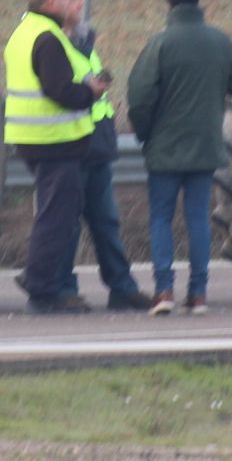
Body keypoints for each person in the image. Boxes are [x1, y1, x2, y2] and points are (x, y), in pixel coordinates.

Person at [126, 0, 232, 316]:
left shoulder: (160, 43)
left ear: (169, 1)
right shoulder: (219, 42)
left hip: (164, 148)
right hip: (204, 146)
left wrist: (144, 133)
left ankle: (164, 291)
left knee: (161, 219)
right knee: (198, 218)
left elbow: (138, 97)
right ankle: (198, 295)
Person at [3, 0, 111, 314]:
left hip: (32, 139)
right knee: (57, 218)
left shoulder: (23, 32)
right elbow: (60, 91)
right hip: (54, 141)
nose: (75, 2)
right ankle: (41, 284)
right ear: (51, 3)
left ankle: (41, 281)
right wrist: (90, 93)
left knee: (54, 213)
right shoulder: (48, 38)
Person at [62, 23, 155, 312]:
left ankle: (122, 288)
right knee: (66, 226)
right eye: (71, 1)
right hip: (72, 145)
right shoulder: (56, 44)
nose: (78, 7)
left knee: (107, 223)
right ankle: (64, 289)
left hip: (96, 145)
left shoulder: (85, 45)